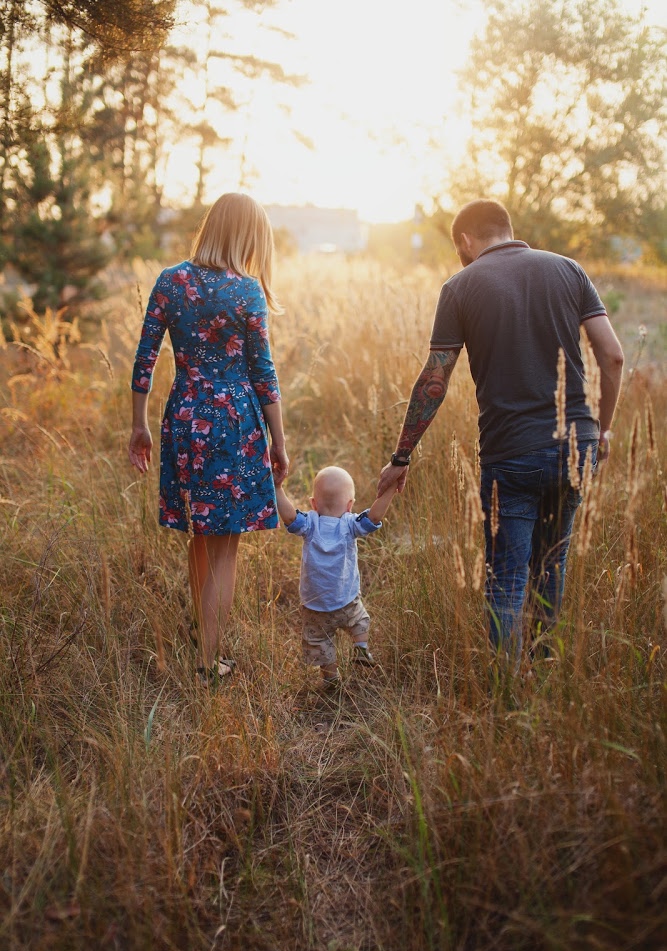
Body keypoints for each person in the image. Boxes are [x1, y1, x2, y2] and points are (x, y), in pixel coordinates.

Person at [377, 199, 624, 664]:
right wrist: (602, 433)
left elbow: (435, 379)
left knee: (507, 580)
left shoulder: (460, 286)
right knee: (552, 565)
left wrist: (401, 457)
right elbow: (612, 356)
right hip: (577, 444)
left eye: (459, 250)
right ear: (508, 229)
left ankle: (507, 690)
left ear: (466, 241)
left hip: (510, 453)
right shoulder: (569, 270)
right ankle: (544, 668)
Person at [128, 192, 289, 684]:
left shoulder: (169, 280)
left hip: (183, 412)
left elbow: (144, 358)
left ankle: (203, 634)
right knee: (225, 546)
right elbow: (263, 372)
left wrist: (138, 424)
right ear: (247, 237)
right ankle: (207, 661)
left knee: (200, 534)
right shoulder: (246, 292)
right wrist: (278, 441)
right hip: (233, 421)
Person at [275, 466, 397, 688]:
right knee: (360, 620)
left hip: (315, 605)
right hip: (346, 600)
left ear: (313, 503)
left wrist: (277, 488)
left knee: (320, 641)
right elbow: (374, 517)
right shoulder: (350, 524)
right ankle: (360, 647)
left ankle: (331, 679)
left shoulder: (310, 524)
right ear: (350, 505)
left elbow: (289, 516)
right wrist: (389, 489)